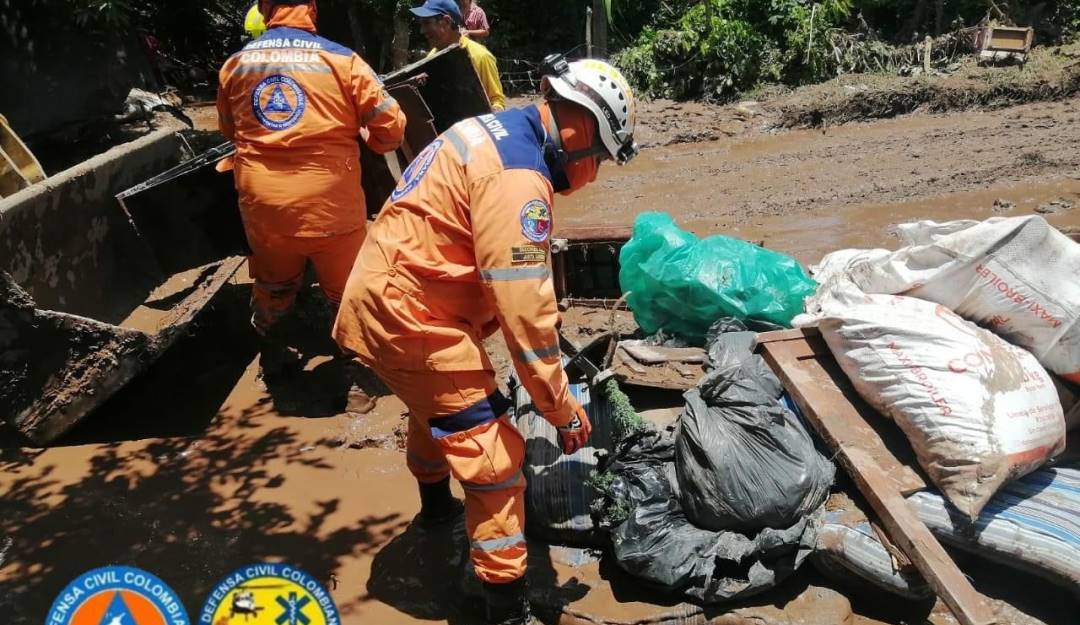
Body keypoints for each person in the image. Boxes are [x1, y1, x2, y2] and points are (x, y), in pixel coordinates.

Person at [333, 54, 638, 625]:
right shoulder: (520, 177)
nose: (595, 170)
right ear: (582, 125)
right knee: (495, 461)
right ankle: (505, 608)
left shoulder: (491, 131)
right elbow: (524, 310)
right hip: (415, 319)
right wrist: (561, 409)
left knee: (437, 414)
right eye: (600, 156)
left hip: (387, 298)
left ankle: (434, 515)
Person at [216, 0, 406, 375]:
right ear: (313, 10)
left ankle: (273, 355)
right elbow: (392, 129)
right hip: (331, 206)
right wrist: (365, 137)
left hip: (264, 207)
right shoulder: (343, 61)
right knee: (348, 291)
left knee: (273, 283)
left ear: (266, 10)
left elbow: (228, 130)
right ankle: (354, 378)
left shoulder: (235, 65)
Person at [411, 0, 505, 111]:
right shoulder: (432, 56)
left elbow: (497, 101)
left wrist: (492, 113)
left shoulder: (480, 56)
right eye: (421, 24)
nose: (422, 30)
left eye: (427, 23)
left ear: (446, 21)